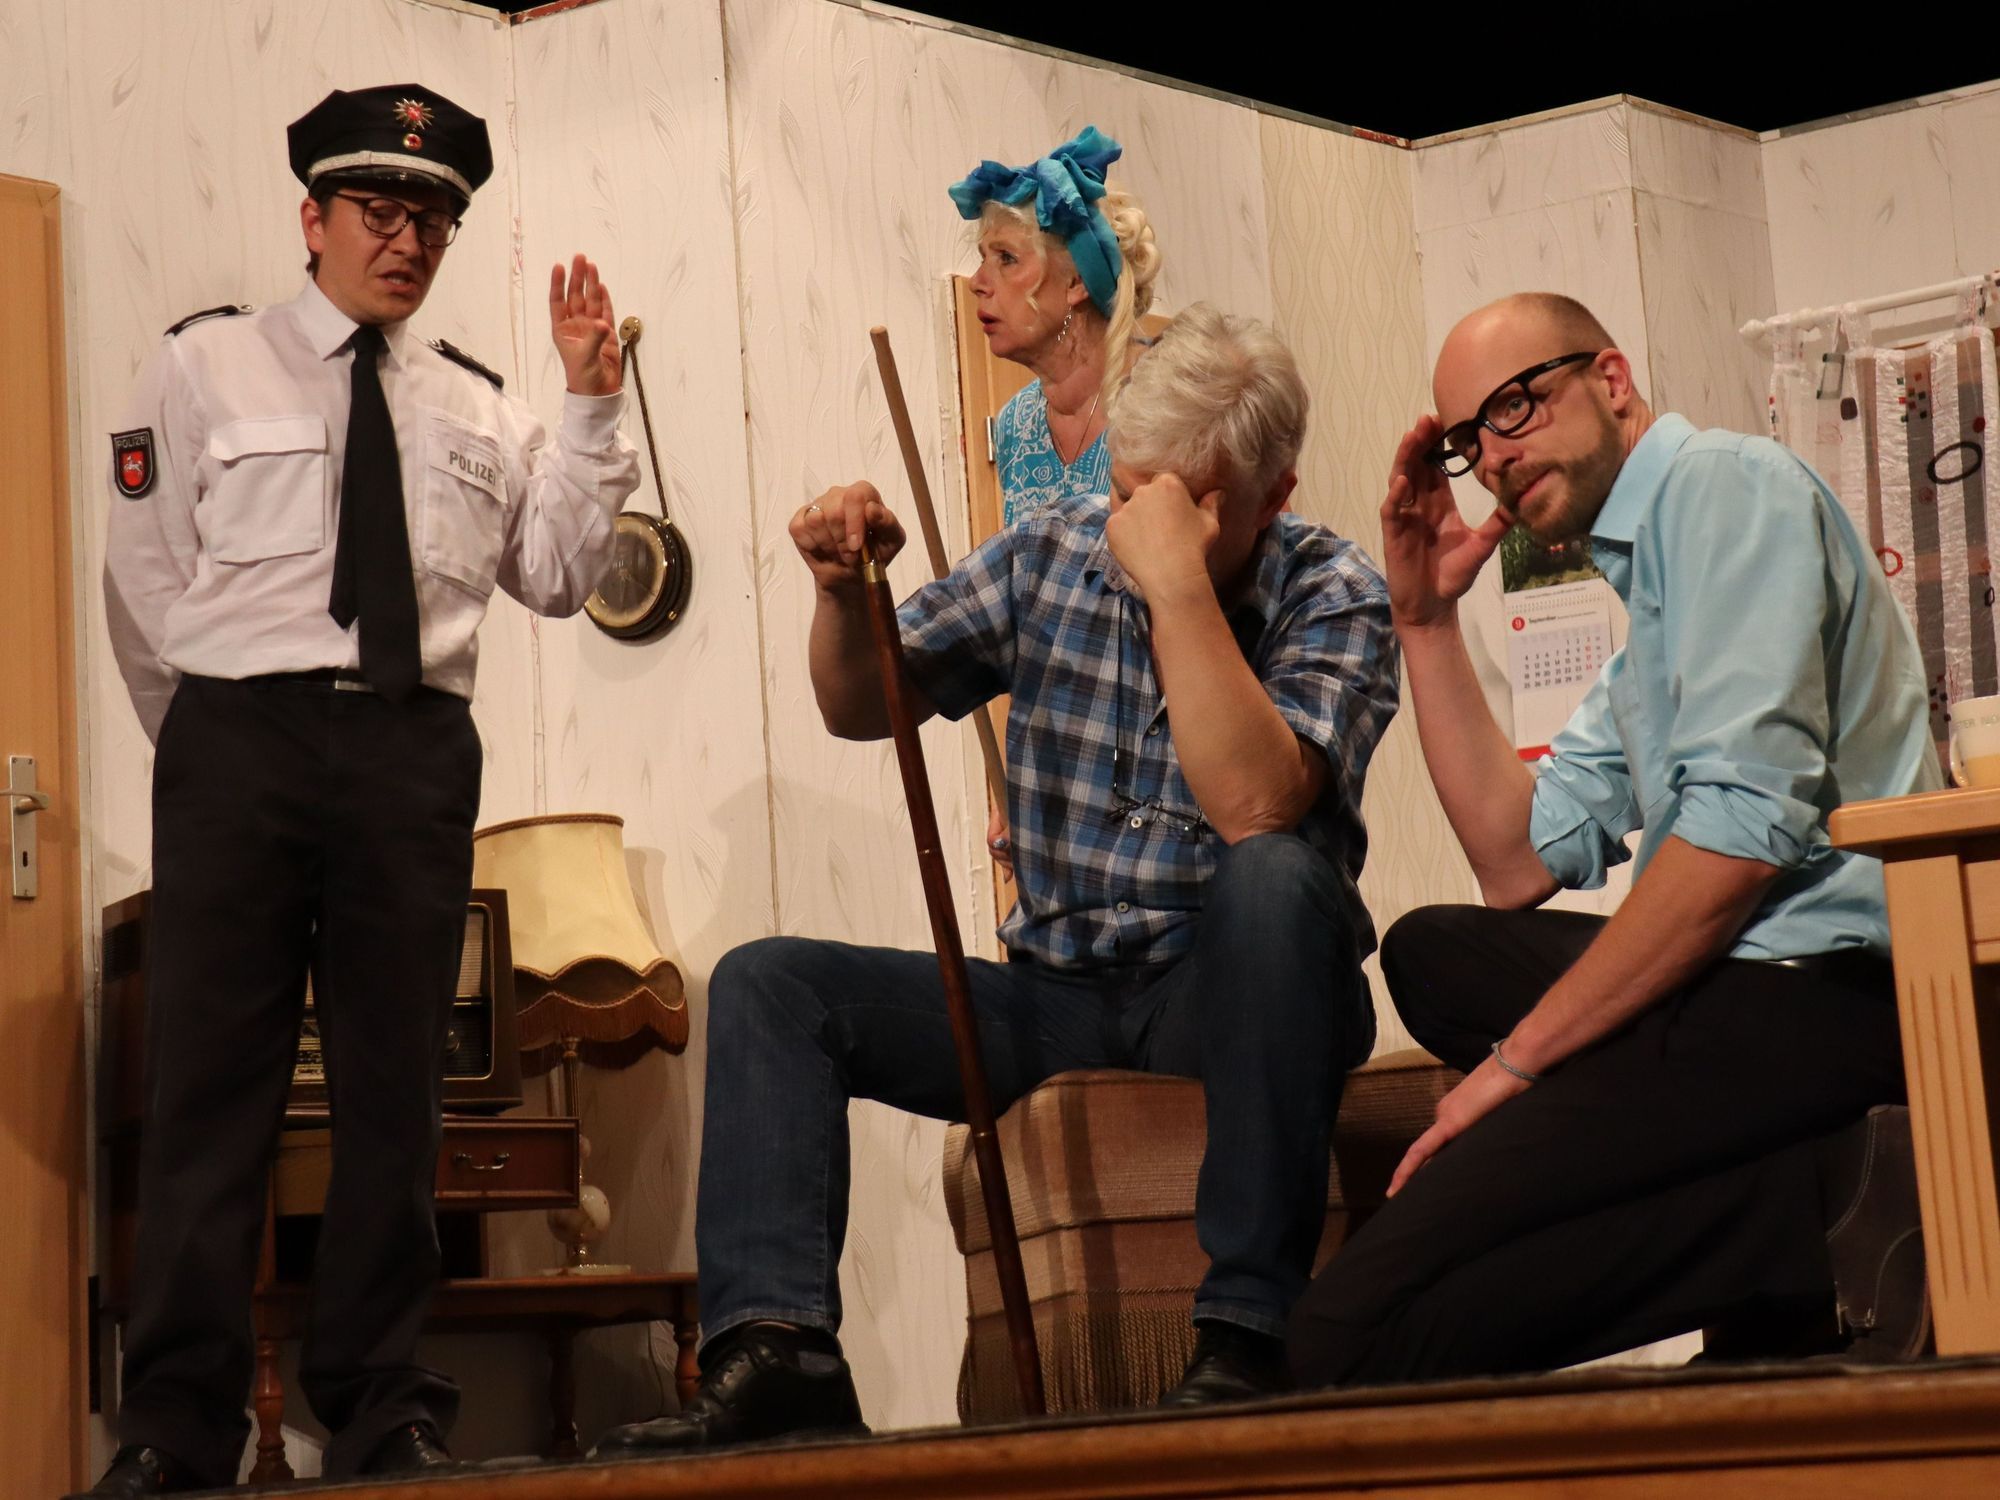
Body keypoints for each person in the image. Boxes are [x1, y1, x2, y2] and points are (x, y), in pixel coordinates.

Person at [595, 305, 1396, 1457]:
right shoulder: (1047, 553)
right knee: (772, 984)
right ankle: (780, 1357)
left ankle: (1244, 1336)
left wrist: (1178, 590)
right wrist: (842, 594)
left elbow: (1255, 805)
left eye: (1183, 503)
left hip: (1231, 985)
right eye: (1130, 491)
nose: (1141, 526)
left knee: (1271, 876)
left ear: (1273, 496)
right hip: (1057, 992)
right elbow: (861, 704)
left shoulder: (1332, 590)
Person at [87, 84, 639, 1496]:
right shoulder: (205, 366)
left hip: (410, 750)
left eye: (434, 222)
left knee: (399, 1099)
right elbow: (144, 583)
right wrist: (208, 739)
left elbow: (559, 575)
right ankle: (176, 1428)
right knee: (210, 1095)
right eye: (382, 212)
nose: (408, 243)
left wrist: (590, 400)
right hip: (239, 743)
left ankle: (379, 1408)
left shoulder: (479, 403)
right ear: (314, 218)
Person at [1286, 291, 1940, 1390]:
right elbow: (1512, 860)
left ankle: (1809, 1213)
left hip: (1824, 997)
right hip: (1740, 991)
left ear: (1612, 378)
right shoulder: (1649, 602)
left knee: (1342, 1337)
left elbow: (1737, 846)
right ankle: (1807, 1211)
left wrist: (1515, 1066)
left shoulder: (1722, 487)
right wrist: (1424, 621)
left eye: (1515, 406)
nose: (1493, 456)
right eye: (1468, 440)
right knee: (1430, 953)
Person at [949, 125, 1163, 874]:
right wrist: (1015, 787)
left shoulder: (1163, 406)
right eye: (983, 259)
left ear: (1075, 284)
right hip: (1061, 776)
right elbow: (1027, 626)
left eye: (1006, 259)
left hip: (1168, 762)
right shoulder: (1015, 427)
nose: (979, 282)